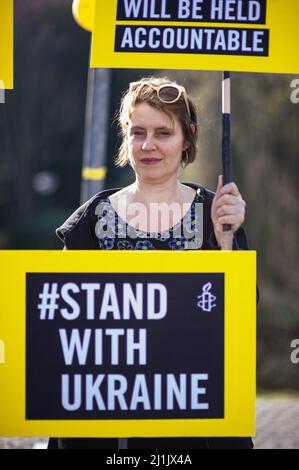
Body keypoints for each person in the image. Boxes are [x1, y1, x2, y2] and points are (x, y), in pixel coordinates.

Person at [48, 77, 252, 449]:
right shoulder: (94, 217)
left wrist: (227, 243)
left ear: (187, 137)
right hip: (107, 420)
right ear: (126, 137)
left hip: (195, 416)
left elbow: (239, 317)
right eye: (137, 131)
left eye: (163, 132)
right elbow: (61, 322)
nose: (148, 145)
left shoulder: (217, 213)